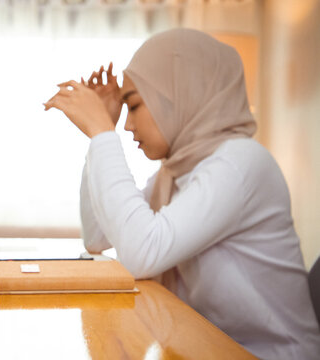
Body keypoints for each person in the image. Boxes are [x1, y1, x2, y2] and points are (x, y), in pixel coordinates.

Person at [44, 28, 320, 359]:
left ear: (178, 95)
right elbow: (99, 235)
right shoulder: (177, 173)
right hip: (207, 348)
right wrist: (102, 135)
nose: (128, 125)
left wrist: (102, 132)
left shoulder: (239, 162)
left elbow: (142, 251)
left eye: (133, 106)